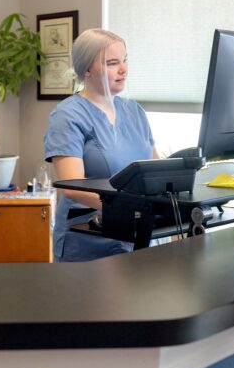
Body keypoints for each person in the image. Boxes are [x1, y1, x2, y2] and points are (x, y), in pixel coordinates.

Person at [43, 28, 157, 262]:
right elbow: (73, 187)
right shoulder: (68, 115)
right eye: (113, 63)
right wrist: (134, 209)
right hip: (89, 241)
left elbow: (155, 169)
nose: (123, 69)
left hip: (139, 236)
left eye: (125, 60)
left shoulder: (134, 111)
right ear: (87, 69)